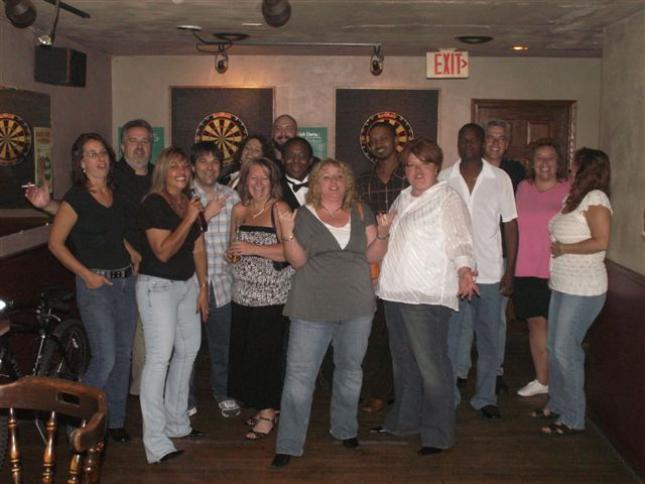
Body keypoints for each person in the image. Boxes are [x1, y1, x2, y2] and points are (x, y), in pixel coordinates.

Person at [271, 158, 392, 468]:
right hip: (311, 307)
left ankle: (345, 429)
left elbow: (372, 255)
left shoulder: (360, 210)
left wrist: (383, 234)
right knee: (300, 376)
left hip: (357, 306)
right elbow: (297, 261)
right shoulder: (303, 215)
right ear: (316, 183)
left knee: (350, 371)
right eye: (326, 177)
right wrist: (287, 233)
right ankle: (289, 443)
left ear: (346, 180)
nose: (333, 182)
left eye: (339, 175)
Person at [373, 137, 477, 456]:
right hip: (394, 291)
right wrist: (383, 231)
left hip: (426, 294)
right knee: (404, 364)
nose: (417, 171)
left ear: (437, 167)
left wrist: (464, 270)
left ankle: (438, 435)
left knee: (432, 368)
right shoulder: (403, 197)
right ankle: (404, 422)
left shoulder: (447, 197)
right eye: (411, 165)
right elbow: (389, 238)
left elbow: (461, 240)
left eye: (425, 164)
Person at [48, 133, 138, 444]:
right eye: (91, 154)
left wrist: (131, 252)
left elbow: (113, 233)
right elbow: (56, 244)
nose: (100, 158)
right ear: (82, 163)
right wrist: (86, 275)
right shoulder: (76, 197)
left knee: (123, 356)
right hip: (96, 285)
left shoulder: (114, 193)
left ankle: (115, 421)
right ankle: (75, 418)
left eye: (102, 152)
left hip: (125, 282)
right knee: (106, 358)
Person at [440, 123, 518, 420]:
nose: (468, 145)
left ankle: (485, 397)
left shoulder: (500, 178)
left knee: (489, 340)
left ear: (482, 143)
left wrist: (510, 271)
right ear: (458, 143)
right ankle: (450, 395)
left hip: (489, 273)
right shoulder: (444, 178)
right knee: (451, 339)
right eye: (464, 140)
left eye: (474, 140)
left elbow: (510, 225)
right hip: (453, 274)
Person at [136, 147, 209, 463]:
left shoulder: (189, 200)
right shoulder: (153, 203)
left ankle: (177, 422)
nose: (182, 171)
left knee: (189, 349)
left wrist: (203, 287)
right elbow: (163, 252)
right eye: (174, 166)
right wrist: (189, 218)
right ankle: (155, 442)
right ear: (163, 171)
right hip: (158, 286)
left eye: (184, 166)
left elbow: (198, 248)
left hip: (187, 285)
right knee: (158, 359)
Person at [539, 148, 612, 435]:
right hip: (563, 284)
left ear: (586, 167)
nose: (570, 167)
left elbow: (601, 241)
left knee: (565, 349)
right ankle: (558, 404)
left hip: (584, 287)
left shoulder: (596, 198)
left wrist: (565, 248)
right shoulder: (574, 198)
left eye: (574, 163)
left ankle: (573, 417)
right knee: (555, 347)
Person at [226, 157, 294, 441]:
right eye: (253, 177)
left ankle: (268, 412)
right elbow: (232, 247)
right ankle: (263, 407)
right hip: (242, 296)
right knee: (247, 358)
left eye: (264, 178)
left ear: (273, 181)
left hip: (272, 298)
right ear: (244, 181)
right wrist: (232, 254)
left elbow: (291, 253)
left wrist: (252, 248)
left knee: (267, 357)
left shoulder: (280, 209)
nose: (258, 183)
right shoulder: (239, 210)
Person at [355, 120, 407, 414]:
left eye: (383, 138)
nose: (378, 144)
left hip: (408, 263)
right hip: (375, 264)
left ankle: (405, 388)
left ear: (394, 140)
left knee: (404, 331)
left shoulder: (410, 176)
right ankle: (377, 390)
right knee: (376, 332)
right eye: (373, 140)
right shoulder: (363, 181)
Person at [188, 141, 242, 418]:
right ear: (193, 166)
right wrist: (204, 216)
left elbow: (238, 236)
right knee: (187, 347)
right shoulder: (184, 195)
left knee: (224, 346)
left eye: (214, 162)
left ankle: (224, 393)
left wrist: (236, 252)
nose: (209, 167)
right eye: (203, 161)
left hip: (223, 284)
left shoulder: (231, 196)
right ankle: (185, 398)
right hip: (189, 283)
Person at [514, 139, 570, 397]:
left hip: (558, 269)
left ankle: (561, 385)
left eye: (550, 158)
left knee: (559, 331)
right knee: (536, 326)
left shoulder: (569, 188)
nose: (545, 163)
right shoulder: (523, 188)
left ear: (558, 163)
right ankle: (542, 381)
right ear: (531, 162)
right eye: (540, 158)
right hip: (526, 267)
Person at [280, 136, 314, 210]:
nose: (296, 161)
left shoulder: (323, 185)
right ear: (282, 160)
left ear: (310, 160)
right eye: (290, 156)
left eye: (302, 156)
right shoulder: (274, 189)